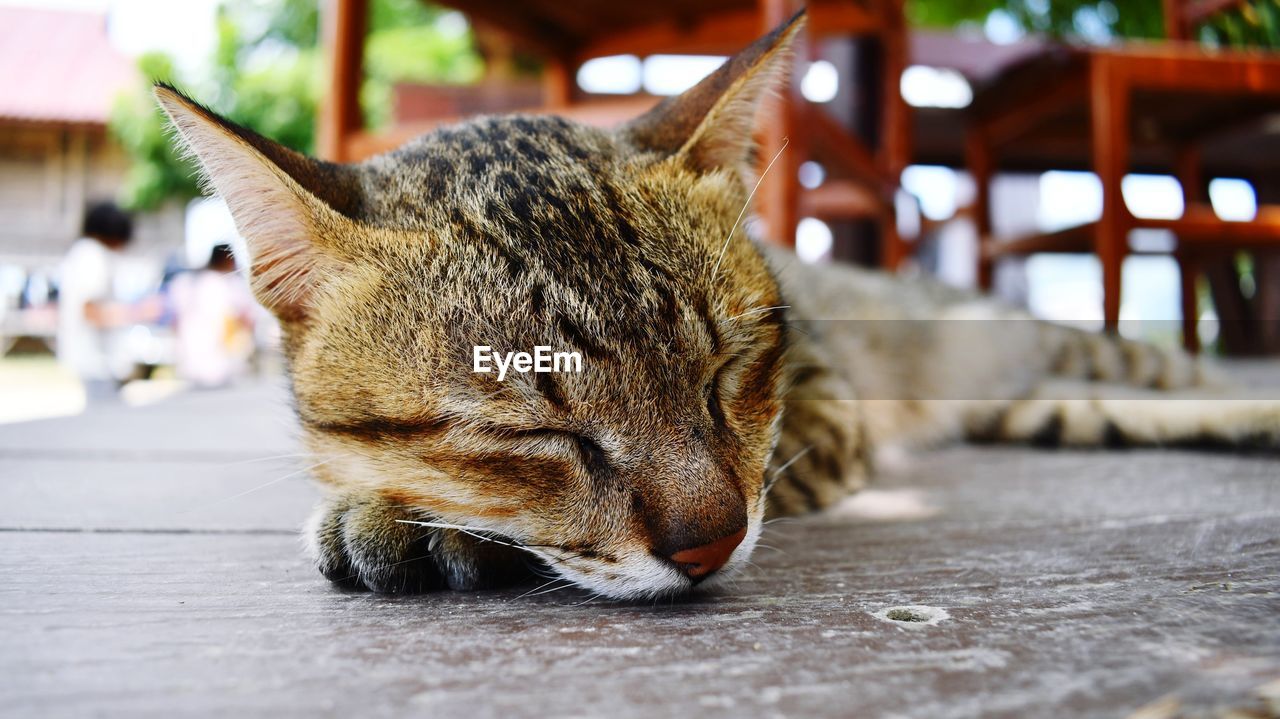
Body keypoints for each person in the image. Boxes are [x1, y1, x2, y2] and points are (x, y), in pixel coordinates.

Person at [56, 202, 139, 401]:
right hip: (96, 361)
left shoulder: (82, 252)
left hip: (90, 359)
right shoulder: (93, 256)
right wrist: (137, 313)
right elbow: (90, 311)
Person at [169, 244, 256, 388]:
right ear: (229, 261)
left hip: (190, 364)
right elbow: (246, 318)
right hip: (221, 365)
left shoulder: (184, 282)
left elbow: (174, 321)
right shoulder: (229, 284)